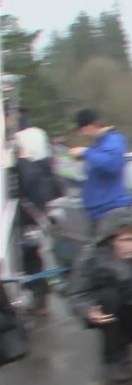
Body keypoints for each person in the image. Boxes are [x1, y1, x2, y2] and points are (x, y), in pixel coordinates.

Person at [66, 208, 132, 382]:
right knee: (109, 297)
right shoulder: (91, 257)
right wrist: (88, 310)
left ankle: (121, 343)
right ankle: (113, 359)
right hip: (107, 305)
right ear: (112, 240)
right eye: (126, 240)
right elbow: (77, 292)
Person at [11, 110, 58, 315]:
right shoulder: (37, 161)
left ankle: (39, 296)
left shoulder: (23, 164)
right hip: (32, 213)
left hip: (27, 216)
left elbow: (29, 186)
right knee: (31, 255)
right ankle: (39, 296)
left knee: (30, 255)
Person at [69, 108, 132, 229]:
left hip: (111, 210)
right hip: (98, 212)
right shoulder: (97, 145)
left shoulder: (113, 140)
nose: (82, 135)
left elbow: (113, 165)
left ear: (89, 127)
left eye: (82, 131)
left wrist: (86, 152)